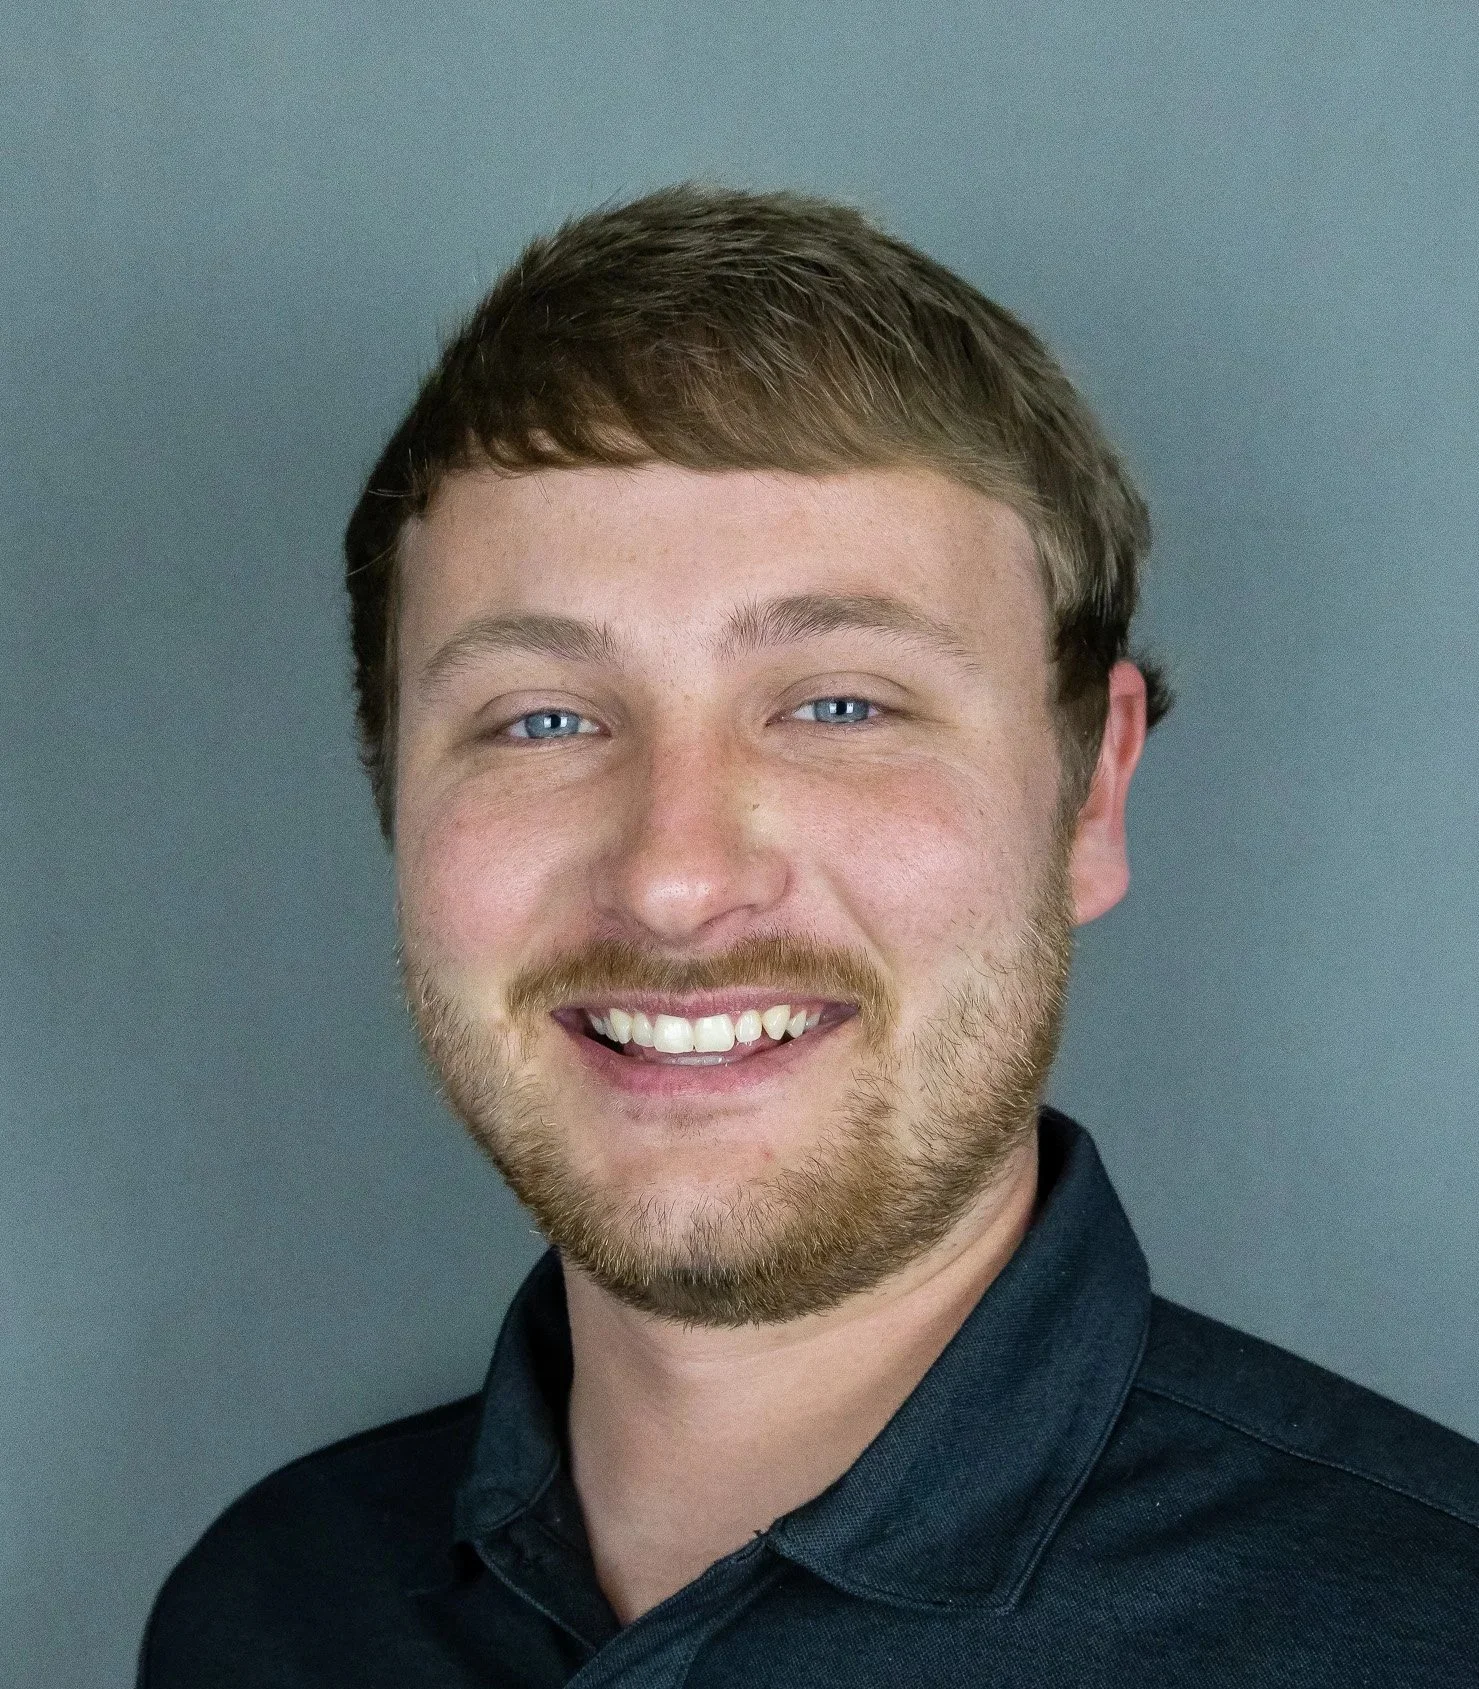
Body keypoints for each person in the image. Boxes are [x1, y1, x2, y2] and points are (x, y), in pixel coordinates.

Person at [139, 186, 1479, 1687]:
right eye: (543, 719)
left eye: (839, 705)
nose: (673, 879)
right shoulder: (265, 1611)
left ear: (1090, 794)